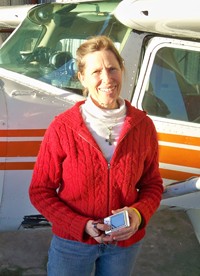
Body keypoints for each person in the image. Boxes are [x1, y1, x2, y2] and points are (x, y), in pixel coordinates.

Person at [29, 35, 164, 276]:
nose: (107, 78)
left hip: (123, 246)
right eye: (96, 71)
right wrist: (79, 225)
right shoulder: (63, 128)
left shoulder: (143, 126)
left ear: (122, 70)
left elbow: (152, 185)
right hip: (73, 243)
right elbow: (40, 191)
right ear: (81, 77)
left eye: (113, 69)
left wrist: (137, 214)